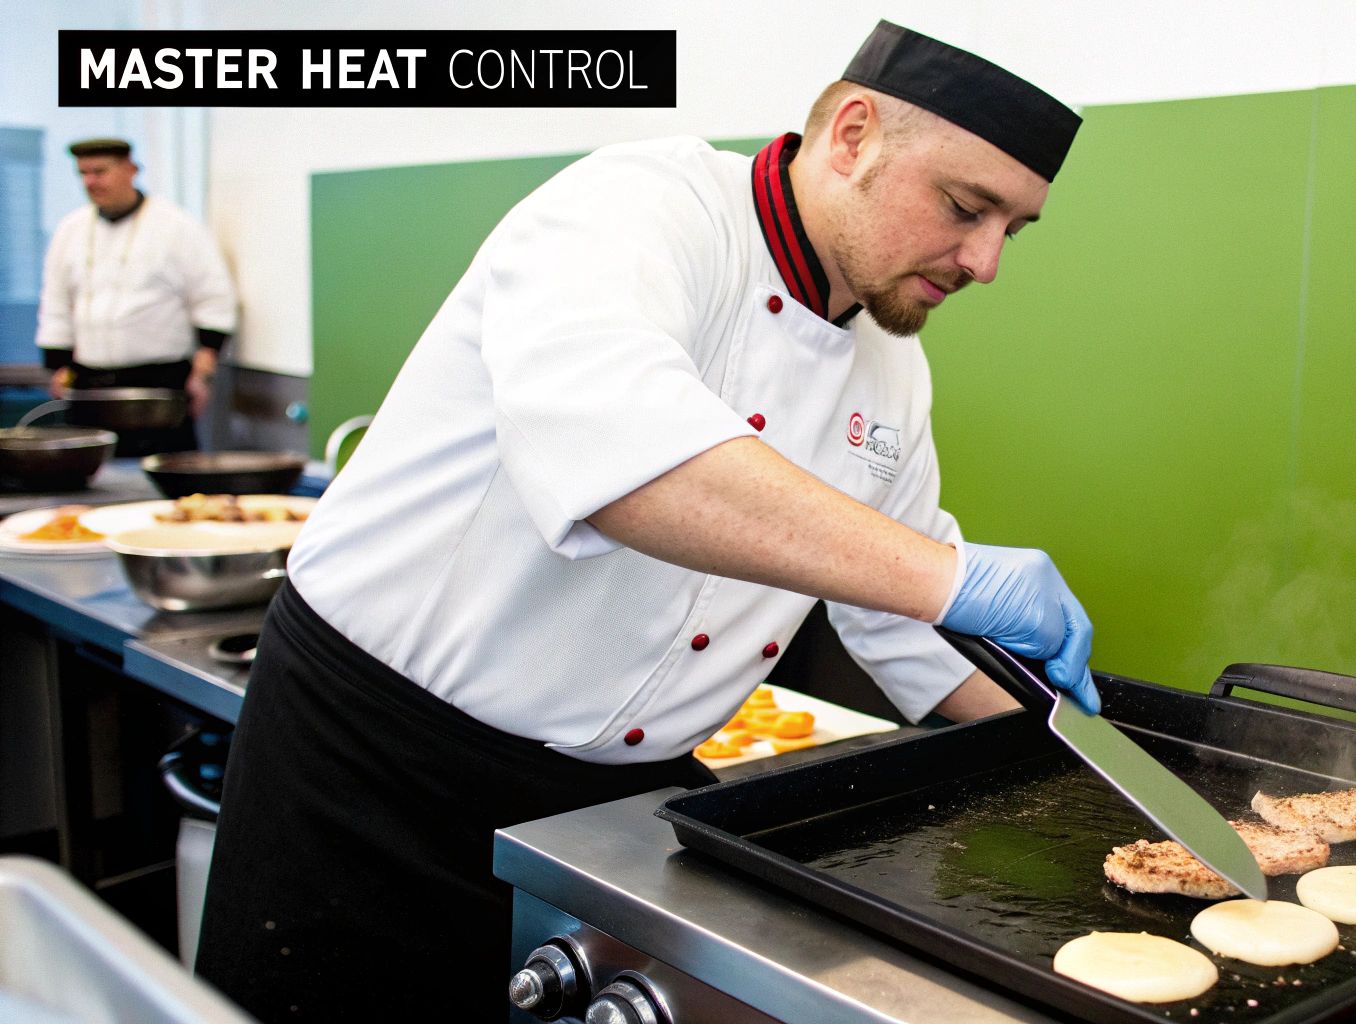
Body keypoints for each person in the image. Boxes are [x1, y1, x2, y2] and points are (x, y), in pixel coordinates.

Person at [196, 21, 1095, 1021]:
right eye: (965, 208)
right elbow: (624, 461)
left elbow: (897, 618)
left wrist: (1089, 755)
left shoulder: (891, 368)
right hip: (374, 771)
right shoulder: (640, 208)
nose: (984, 263)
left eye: (1009, 230)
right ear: (850, 135)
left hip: (613, 813)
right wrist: (951, 575)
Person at [35, 137, 238, 455]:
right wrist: (58, 365)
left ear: (130, 169)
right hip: (91, 381)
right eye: (83, 173)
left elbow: (213, 297)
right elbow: (56, 301)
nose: (90, 182)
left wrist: (203, 370)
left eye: (100, 171)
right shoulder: (70, 230)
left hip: (159, 380)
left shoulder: (176, 226)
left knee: (164, 473)